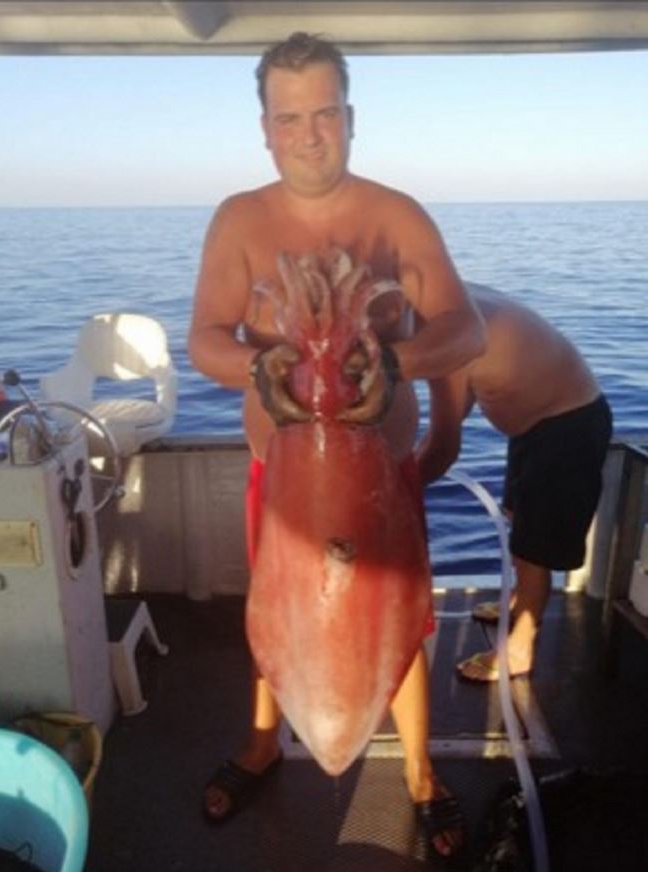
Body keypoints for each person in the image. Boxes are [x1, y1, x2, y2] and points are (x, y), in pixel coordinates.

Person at [188, 32, 485, 858]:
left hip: (380, 475)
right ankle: (261, 743)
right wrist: (259, 367)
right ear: (265, 129)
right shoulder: (240, 219)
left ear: (349, 119)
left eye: (323, 114)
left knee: (400, 616)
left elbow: (464, 329)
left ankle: (418, 772)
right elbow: (204, 340)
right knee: (273, 611)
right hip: (281, 481)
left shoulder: (396, 215)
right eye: (289, 118)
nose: (309, 135)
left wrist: (394, 362)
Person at [415, 282, 613, 681]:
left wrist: (397, 487)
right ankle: (521, 601)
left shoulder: (449, 336)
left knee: (534, 545)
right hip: (533, 428)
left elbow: (442, 447)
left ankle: (520, 648)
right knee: (517, 518)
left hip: (568, 426)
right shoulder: (452, 298)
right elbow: (459, 402)